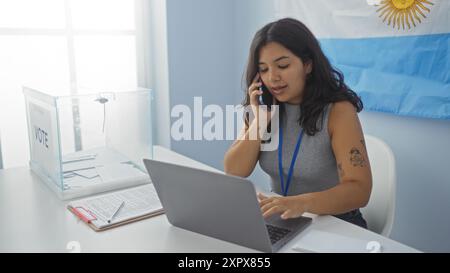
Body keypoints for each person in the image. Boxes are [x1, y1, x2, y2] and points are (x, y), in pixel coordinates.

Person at [223, 18, 372, 228]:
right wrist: (260, 122)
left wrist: (301, 203)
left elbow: (360, 190)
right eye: (263, 69)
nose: (273, 77)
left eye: (283, 65)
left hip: (336, 223)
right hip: (284, 219)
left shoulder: (338, 110)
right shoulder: (265, 108)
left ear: (308, 64)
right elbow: (234, 170)